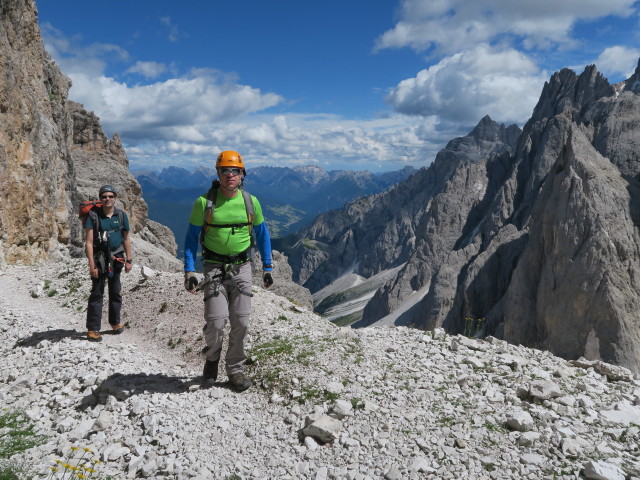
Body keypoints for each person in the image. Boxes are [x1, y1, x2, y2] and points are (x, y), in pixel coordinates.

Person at [184, 150, 273, 392]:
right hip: (213, 268)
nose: (230, 174)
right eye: (225, 170)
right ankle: (212, 359)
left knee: (241, 322)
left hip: (242, 267)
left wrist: (267, 267)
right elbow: (191, 238)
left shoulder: (250, 202)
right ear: (218, 174)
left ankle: (235, 369)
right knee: (215, 321)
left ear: (243, 175)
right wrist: (190, 270)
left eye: (235, 170)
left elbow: (263, 235)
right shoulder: (204, 203)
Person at [84, 185, 133, 342]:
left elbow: (126, 238)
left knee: (115, 290)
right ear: (100, 198)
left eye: (110, 196)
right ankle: (93, 329)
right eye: (104, 196)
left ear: (115, 198)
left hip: (117, 257)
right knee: (97, 292)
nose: (107, 199)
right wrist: (91, 265)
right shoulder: (93, 216)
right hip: (99, 259)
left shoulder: (121, 215)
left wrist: (129, 259)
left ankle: (115, 322)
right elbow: (89, 243)